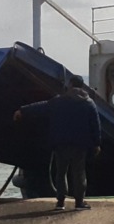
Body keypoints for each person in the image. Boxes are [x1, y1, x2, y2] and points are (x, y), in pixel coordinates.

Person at [14, 77, 101, 210]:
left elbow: (41, 107)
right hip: (80, 145)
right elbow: (95, 125)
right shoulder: (88, 103)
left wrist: (22, 111)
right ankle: (79, 203)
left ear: (70, 85)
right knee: (79, 173)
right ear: (82, 86)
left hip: (61, 143)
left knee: (61, 173)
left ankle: (60, 202)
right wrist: (96, 144)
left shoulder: (59, 101)